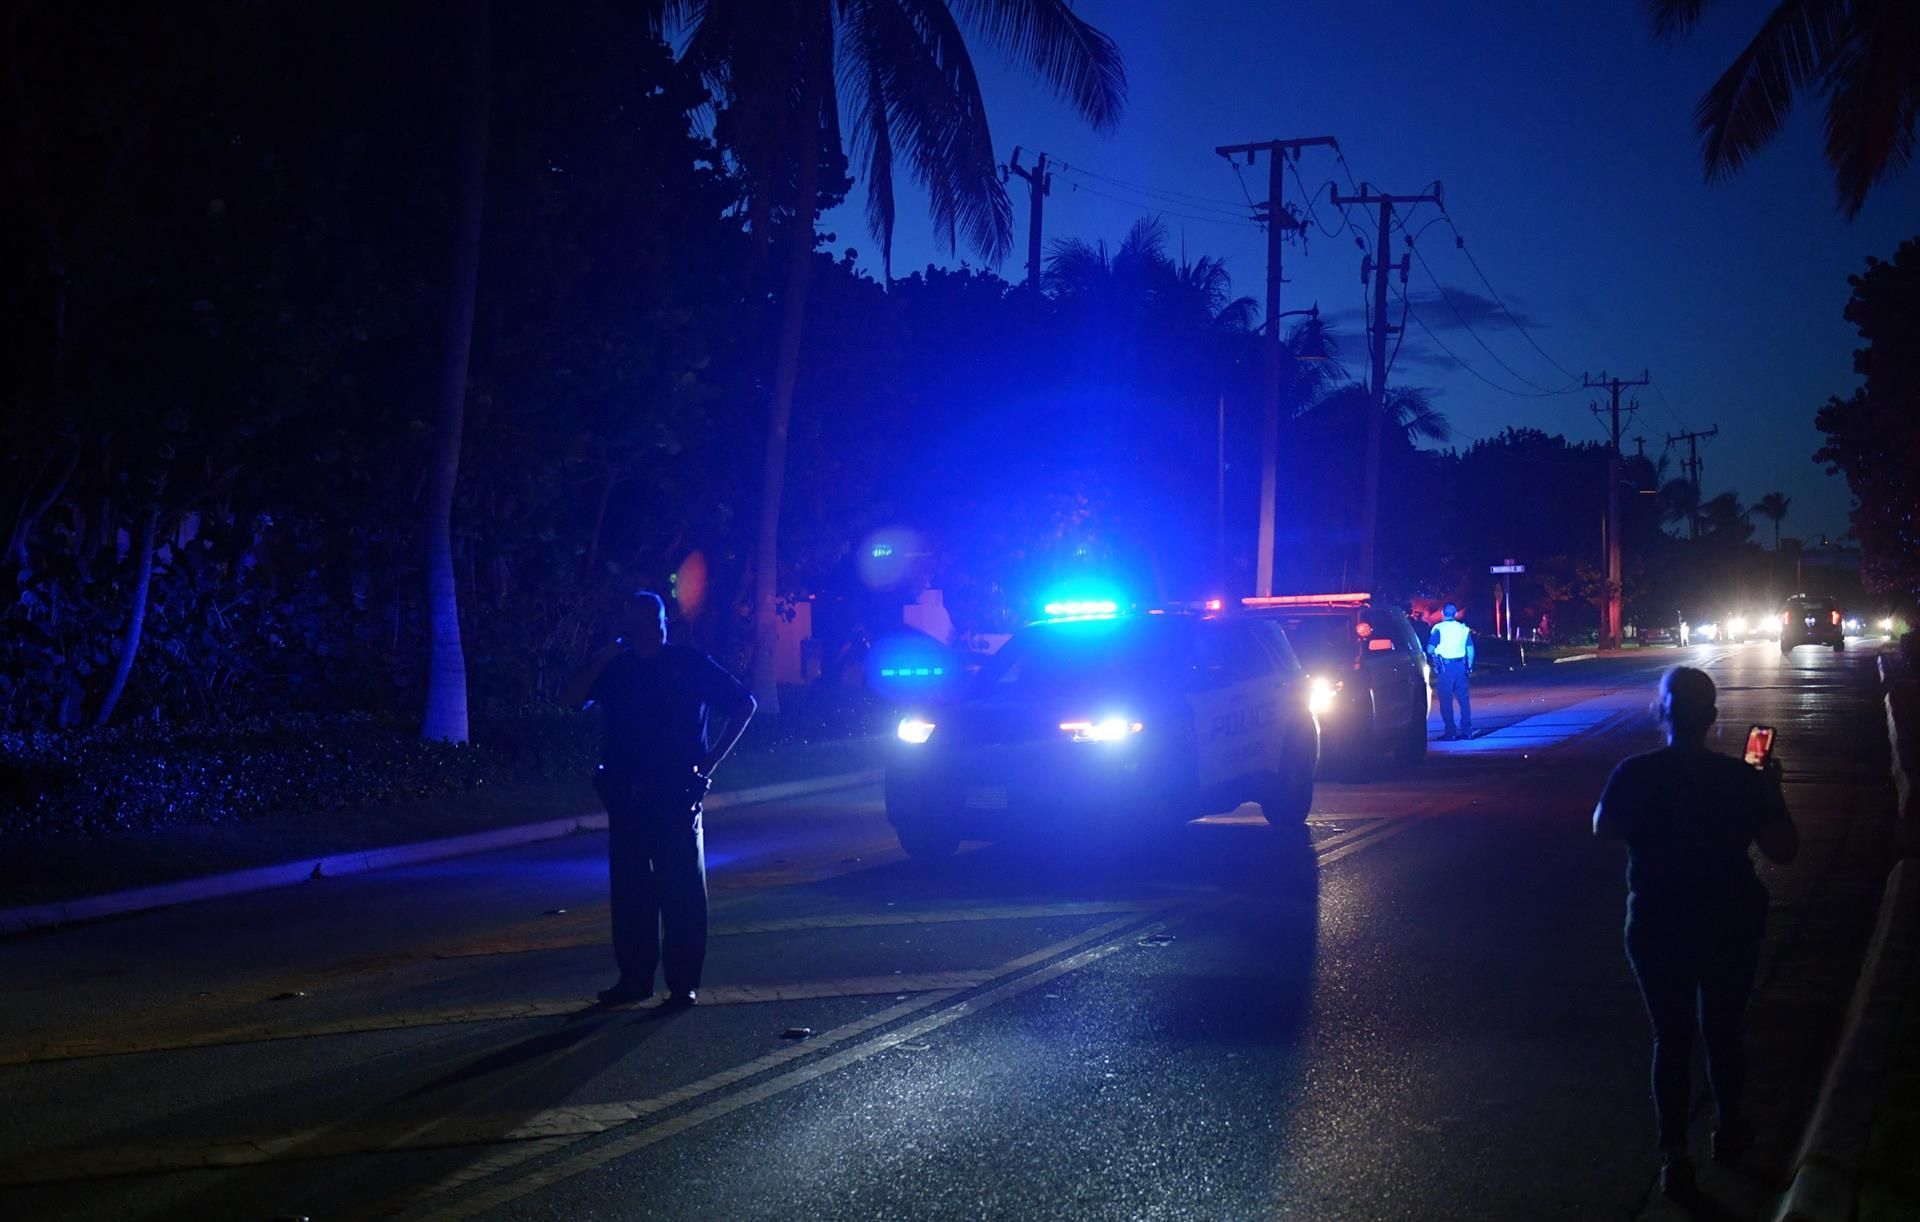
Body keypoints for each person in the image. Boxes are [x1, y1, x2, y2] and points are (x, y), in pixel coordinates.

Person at [1592, 666, 1797, 1198]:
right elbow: (1783, 850)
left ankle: (1674, 1155)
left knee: (1671, 1037)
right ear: (1712, 716)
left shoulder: (1635, 774)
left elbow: (1603, 828)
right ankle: (1730, 1131)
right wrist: (1770, 791)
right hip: (1730, 921)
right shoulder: (1740, 780)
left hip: (1658, 923)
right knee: (1724, 1031)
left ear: (1662, 712)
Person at [560, 591, 756, 1008]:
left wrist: (710, 761)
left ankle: (682, 983)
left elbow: (744, 704)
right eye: (632, 621)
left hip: (675, 792)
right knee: (631, 891)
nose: (640, 628)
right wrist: (605, 653)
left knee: (681, 889)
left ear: (661, 622)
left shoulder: (688, 664)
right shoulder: (619, 669)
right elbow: (571, 697)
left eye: (647, 620)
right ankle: (635, 978)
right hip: (627, 794)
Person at [1426, 602, 1475, 740]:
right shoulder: (1463, 629)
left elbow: (1430, 649)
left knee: (1446, 701)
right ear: (1455, 614)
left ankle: (1451, 732)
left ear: (1442, 614)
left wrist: (1436, 653)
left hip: (1446, 668)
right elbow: (1470, 650)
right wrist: (1469, 666)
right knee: (1464, 700)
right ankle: (1467, 731)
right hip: (1461, 667)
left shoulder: (1439, 629)